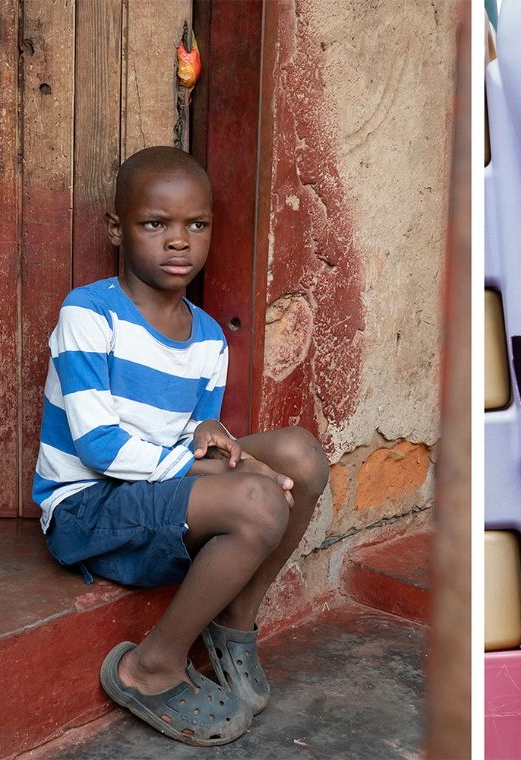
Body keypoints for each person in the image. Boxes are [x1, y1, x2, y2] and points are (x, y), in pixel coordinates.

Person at [33, 146, 329, 743]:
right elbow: (99, 445)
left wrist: (209, 438)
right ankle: (151, 667)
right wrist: (221, 476)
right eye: (155, 224)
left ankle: (234, 623)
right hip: (87, 508)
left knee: (300, 454)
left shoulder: (210, 337)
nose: (179, 242)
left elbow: (198, 435)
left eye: (196, 225)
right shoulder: (89, 314)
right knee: (257, 499)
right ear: (117, 230)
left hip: (156, 496)